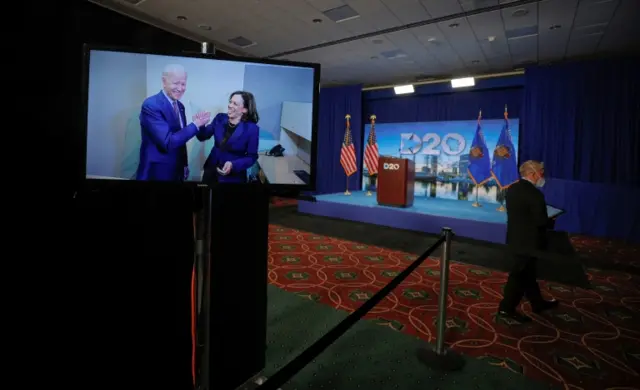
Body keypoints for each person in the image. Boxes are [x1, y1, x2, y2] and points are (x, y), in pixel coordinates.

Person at [498, 160, 559, 322]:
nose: (543, 175)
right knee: (518, 276)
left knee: (528, 274)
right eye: (541, 171)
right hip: (529, 242)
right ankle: (506, 309)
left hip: (515, 238)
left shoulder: (512, 188)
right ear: (533, 173)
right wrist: (551, 220)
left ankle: (537, 303)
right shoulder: (535, 194)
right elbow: (541, 221)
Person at [136, 64, 211, 181]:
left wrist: (184, 164)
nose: (180, 88)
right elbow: (168, 142)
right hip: (156, 173)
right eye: (176, 83)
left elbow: (181, 141)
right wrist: (196, 124)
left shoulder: (180, 106)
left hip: (177, 171)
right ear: (164, 81)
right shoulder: (151, 105)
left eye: (183, 84)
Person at [197, 91, 260, 184]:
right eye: (230, 102)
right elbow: (202, 136)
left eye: (235, 103)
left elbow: (252, 157)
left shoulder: (252, 129)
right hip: (211, 170)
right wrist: (201, 125)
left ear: (245, 109)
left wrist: (233, 165)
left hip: (233, 178)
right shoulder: (220, 118)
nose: (230, 105)